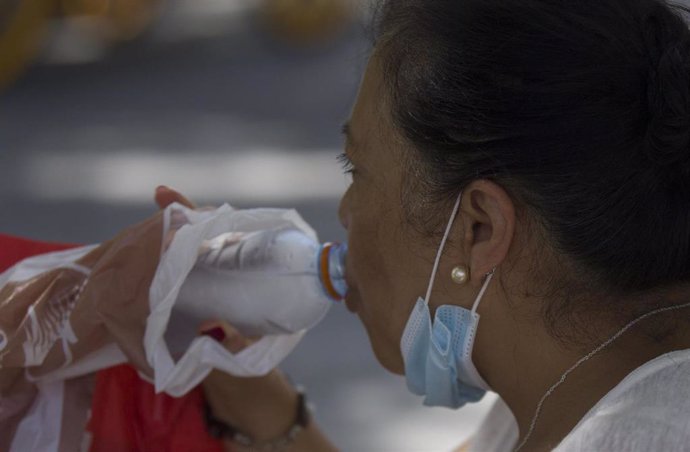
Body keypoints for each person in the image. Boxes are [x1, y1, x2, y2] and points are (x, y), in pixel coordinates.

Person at [185, 0, 690, 450]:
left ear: (479, 230)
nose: (344, 212)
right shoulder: (575, 385)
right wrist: (268, 416)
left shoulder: (635, 434)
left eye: (356, 172)